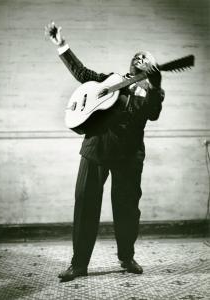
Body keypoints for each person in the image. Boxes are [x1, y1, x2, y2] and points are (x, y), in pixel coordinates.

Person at [45, 22, 165, 282]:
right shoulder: (112, 80)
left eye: (146, 57)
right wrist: (61, 45)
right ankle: (78, 265)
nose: (140, 57)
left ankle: (126, 257)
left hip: (129, 157)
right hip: (96, 150)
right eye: (137, 55)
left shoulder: (154, 91)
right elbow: (82, 73)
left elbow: (153, 113)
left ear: (152, 68)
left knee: (128, 209)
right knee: (85, 206)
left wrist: (155, 85)